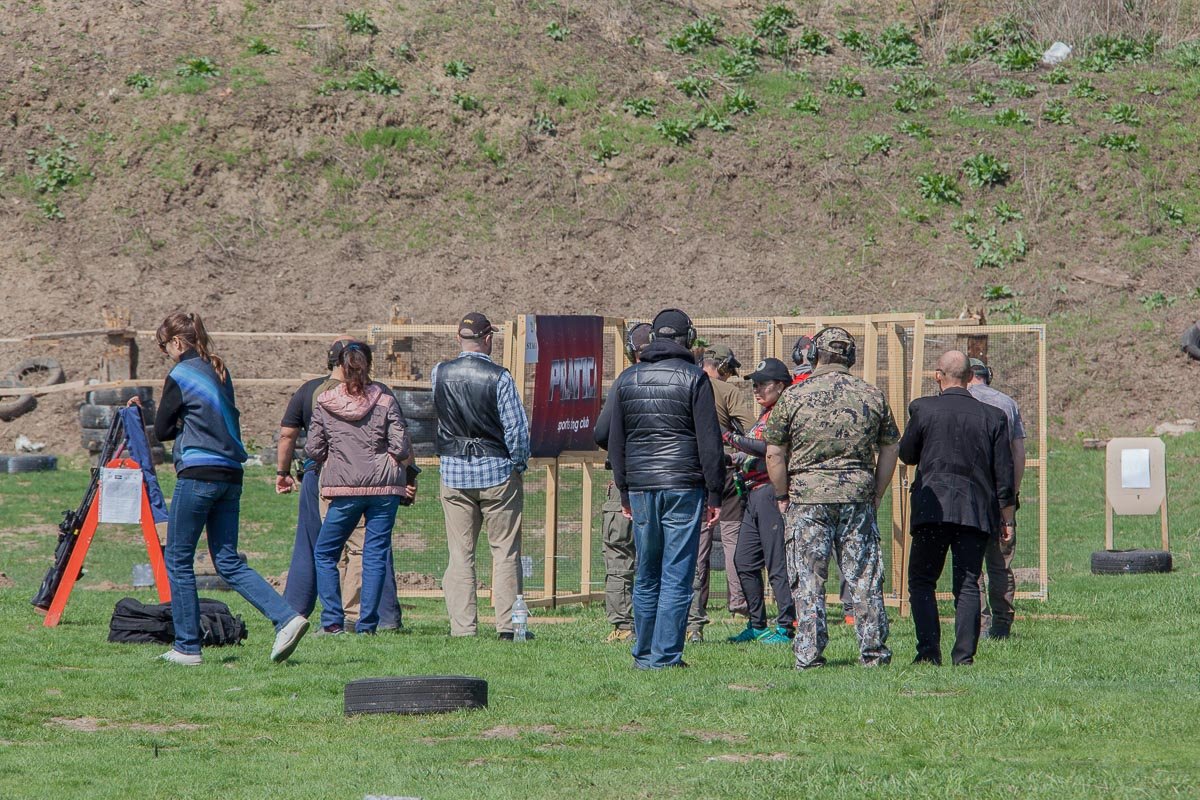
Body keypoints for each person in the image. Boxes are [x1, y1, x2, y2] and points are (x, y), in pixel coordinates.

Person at [151, 311, 308, 665]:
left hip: (197, 473)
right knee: (227, 561)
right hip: (232, 475)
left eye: (165, 347)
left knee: (177, 559)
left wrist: (177, 421)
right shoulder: (220, 371)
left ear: (177, 343)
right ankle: (286, 617)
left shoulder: (179, 374)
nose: (166, 354)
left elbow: (161, 430)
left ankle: (187, 647)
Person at [764, 326, 899, 670]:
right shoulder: (872, 394)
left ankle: (809, 654)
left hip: (807, 499)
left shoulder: (794, 396)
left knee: (808, 578)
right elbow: (890, 448)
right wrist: (876, 493)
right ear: (850, 357)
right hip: (857, 496)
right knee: (864, 577)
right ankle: (873, 652)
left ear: (815, 355)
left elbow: (774, 453)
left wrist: (782, 495)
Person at [607, 308, 725, 669]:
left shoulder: (627, 378)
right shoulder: (695, 378)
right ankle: (667, 656)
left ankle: (643, 654)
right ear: (687, 339)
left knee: (647, 570)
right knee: (676, 572)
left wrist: (625, 491)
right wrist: (715, 493)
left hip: (641, 488)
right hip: (684, 487)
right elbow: (710, 443)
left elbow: (615, 441)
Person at [899, 350, 1016, 666]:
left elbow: (907, 455)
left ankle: (928, 653)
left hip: (932, 510)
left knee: (922, 581)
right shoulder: (994, 417)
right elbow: (1003, 473)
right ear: (969, 377)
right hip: (974, 512)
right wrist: (1008, 518)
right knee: (966, 584)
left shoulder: (923, 409)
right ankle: (963, 657)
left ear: (938, 375)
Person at [433, 312, 530, 640]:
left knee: (460, 555)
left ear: (458, 338)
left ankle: (463, 629)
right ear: (488, 338)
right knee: (504, 551)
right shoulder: (499, 377)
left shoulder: (439, 373)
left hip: (454, 473)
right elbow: (516, 428)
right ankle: (507, 627)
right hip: (496, 471)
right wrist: (517, 464)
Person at [307, 342, 414, 635]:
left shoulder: (326, 402)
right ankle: (367, 625)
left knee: (326, 552)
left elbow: (314, 448)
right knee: (375, 553)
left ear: (341, 366)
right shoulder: (385, 399)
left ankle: (332, 622)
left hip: (344, 488)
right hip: (384, 487)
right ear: (368, 365)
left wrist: (336, 454)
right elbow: (400, 446)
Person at [686, 343, 756, 643]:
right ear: (724, 366)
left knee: (696, 549)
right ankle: (741, 604)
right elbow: (753, 430)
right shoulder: (728, 392)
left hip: (693, 474)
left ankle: (694, 623)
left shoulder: (685, 382)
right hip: (726, 473)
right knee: (732, 541)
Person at [724, 358, 796, 644]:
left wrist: (730, 437)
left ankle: (786, 628)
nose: (756, 390)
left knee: (777, 564)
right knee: (743, 560)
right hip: (753, 494)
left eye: (761, 385)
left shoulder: (784, 412)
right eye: (753, 385)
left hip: (771, 493)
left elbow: (769, 449)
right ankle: (757, 625)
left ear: (780, 386)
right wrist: (732, 457)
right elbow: (753, 452)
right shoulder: (764, 414)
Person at [592, 322, 652, 643]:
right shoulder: (682, 376)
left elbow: (602, 432)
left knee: (619, 554)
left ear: (630, 352)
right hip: (667, 482)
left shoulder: (624, 381)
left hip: (625, 481)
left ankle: (623, 626)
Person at [968, 358, 1025, 639]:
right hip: (1001, 496)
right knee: (1001, 563)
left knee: (972, 566)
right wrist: (1011, 498)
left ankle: (979, 625)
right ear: (987, 375)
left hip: (968, 497)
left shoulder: (956, 401)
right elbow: (1018, 454)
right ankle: (1002, 625)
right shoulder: (1007, 403)